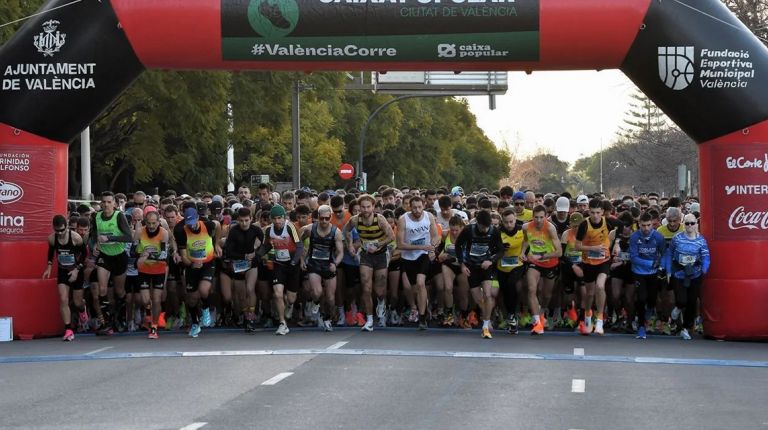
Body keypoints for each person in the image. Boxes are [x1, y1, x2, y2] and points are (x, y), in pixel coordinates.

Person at [343, 194, 396, 331]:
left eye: (368, 207)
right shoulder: (355, 220)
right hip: (366, 255)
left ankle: (381, 303)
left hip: (380, 254)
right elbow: (346, 231)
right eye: (363, 207)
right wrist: (349, 245)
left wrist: (378, 244)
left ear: (373, 207)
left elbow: (391, 236)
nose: (365, 210)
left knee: (380, 290)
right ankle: (370, 319)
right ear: (359, 207)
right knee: (366, 286)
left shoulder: (380, 219)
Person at [90, 191, 134, 335]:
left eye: (109, 202)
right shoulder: (96, 216)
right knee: (102, 290)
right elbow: (94, 234)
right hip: (105, 257)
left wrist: (109, 239)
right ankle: (107, 323)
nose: (106, 205)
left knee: (119, 291)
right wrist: (96, 243)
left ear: (114, 204)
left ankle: (120, 318)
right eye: (104, 202)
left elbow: (129, 237)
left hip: (119, 256)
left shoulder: (119, 216)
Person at [455, 210, 504, 339]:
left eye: (487, 227)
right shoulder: (468, 230)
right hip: (472, 267)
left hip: (486, 266)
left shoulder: (494, 231)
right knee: (478, 299)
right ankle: (487, 316)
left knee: (488, 295)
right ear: (477, 223)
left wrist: (491, 260)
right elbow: (458, 246)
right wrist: (462, 264)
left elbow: (501, 250)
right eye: (482, 227)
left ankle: (486, 325)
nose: (485, 230)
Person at [174, 206, 222, 337]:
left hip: (208, 262)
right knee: (192, 298)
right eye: (188, 224)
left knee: (204, 289)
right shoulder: (180, 231)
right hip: (192, 264)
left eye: (193, 223)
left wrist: (216, 243)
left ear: (197, 218)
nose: (192, 226)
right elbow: (183, 255)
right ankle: (195, 323)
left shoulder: (208, 224)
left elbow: (218, 226)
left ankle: (206, 308)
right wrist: (191, 264)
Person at [257, 205, 304, 335]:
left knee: (291, 298)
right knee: (277, 293)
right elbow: (266, 245)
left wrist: (294, 261)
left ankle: (290, 306)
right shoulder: (269, 230)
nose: (277, 221)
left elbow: (299, 246)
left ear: (284, 217)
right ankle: (282, 323)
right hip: (278, 264)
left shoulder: (290, 227)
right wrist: (258, 254)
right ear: (271, 219)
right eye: (275, 219)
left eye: (280, 218)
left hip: (292, 264)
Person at [397, 196, 440, 330]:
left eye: (419, 207)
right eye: (414, 207)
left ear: (424, 206)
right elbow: (400, 244)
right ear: (409, 207)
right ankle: (424, 309)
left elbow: (436, 236)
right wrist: (420, 247)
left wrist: (433, 246)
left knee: (421, 283)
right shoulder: (403, 219)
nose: (417, 210)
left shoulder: (429, 217)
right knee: (415, 289)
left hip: (424, 255)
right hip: (409, 257)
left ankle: (422, 319)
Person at [664, 214, 710, 340]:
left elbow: (706, 256)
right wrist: (668, 271)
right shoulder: (677, 238)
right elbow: (669, 254)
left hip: (695, 274)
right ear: (684, 224)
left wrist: (704, 269)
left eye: (692, 223)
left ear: (696, 224)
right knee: (681, 301)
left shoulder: (701, 240)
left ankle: (685, 328)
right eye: (687, 223)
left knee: (692, 302)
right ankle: (673, 317)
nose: (690, 226)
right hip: (679, 273)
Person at [300, 205, 344, 332]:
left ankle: (327, 318)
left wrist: (335, 263)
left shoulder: (336, 232)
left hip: (329, 265)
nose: (324, 221)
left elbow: (340, 252)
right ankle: (317, 304)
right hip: (314, 264)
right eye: (321, 218)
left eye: (327, 218)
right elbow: (300, 243)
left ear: (331, 217)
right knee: (317, 292)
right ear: (317, 217)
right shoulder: (310, 229)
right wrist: (302, 259)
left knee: (330, 298)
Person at [43, 215, 86, 341]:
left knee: (78, 302)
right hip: (63, 270)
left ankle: (83, 310)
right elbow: (51, 252)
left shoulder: (75, 237)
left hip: (76, 269)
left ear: (67, 226)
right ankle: (68, 329)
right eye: (57, 231)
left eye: (62, 230)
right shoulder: (52, 238)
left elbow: (84, 254)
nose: (60, 233)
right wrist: (49, 267)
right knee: (63, 299)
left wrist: (76, 270)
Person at [521, 205, 563, 335]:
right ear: (532, 217)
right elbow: (526, 240)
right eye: (536, 217)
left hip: (550, 262)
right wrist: (522, 252)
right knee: (532, 289)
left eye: (541, 217)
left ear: (545, 217)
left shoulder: (550, 228)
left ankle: (542, 311)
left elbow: (559, 252)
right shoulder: (526, 227)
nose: (538, 220)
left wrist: (542, 256)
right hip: (535, 262)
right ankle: (537, 322)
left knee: (546, 295)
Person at [221, 207, 263, 332]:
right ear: (238, 220)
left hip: (252, 264)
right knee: (241, 294)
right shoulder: (234, 231)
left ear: (251, 219)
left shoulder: (256, 229)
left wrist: (257, 254)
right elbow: (228, 251)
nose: (244, 223)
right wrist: (243, 256)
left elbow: (266, 244)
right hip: (238, 264)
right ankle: (246, 316)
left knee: (250, 289)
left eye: (246, 220)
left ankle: (251, 316)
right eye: (241, 221)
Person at [575, 198, 612, 336]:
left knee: (600, 286)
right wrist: (593, 248)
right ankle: (587, 316)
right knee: (589, 293)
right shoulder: (584, 225)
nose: (595, 216)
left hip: (604, 260)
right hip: (588, 262)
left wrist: (617, 242)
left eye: (598, 212)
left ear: (602, 212)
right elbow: (577, 246)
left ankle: (600, 320)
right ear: (588, 212)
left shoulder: (608, 221)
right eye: (592, 213)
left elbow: (622, 226)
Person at [629, 212, 666, 339]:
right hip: (639, 272)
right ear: (639, 224)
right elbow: (633, 258)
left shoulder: (658, 237)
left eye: (648, 225)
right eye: (643, 225)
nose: (646, 228)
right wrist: (651, 263)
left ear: (652, 224)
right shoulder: (634, 237)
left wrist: (661, 266)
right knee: (641, 298)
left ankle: (649, 312)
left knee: (652, 299)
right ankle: (641, 326)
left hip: (654, 274)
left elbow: (664, 254)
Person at [134, 208, 169, 339]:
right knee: (144, 300)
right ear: (145, 222)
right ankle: (148, 314)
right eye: (149, 223)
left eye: (154, 223)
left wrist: (148, 255)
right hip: (144, 269)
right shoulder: (139, 232)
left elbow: (164, 255)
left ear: (158, 222)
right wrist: (141, 256)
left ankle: (154, 327)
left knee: (156, 299)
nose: (151, 226)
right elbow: (133, 252)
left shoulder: (164, 233)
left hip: (158, 269)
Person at [496, 208, 525, 334]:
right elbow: (492, 249)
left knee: (512, 285)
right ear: (502, 221)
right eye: (506, 222)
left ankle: (513, 315)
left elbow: (528, 243)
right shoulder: (497, 233)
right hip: (501, 266)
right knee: (503, 291)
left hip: (517, 265)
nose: (509, 225)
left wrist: (524, 253)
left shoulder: (522, 230)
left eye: (511, 222)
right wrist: (500, 249)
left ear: (515, 220)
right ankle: (507, 315)